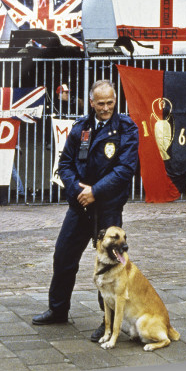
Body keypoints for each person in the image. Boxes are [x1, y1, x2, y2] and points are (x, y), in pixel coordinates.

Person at [32, 80, 139, 342]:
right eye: (100, 103)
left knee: (111, 266)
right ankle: (58, 310)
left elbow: (125, 169)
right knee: (63, 256)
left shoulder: (127, 128)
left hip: (108, 207)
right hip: (80, 205)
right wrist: (77, 188)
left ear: (115, 100)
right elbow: (65, 163)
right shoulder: (81, 127)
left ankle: (109, 323)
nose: (105, 108)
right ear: (91, 102)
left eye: (110, 102)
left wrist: (96, 191)